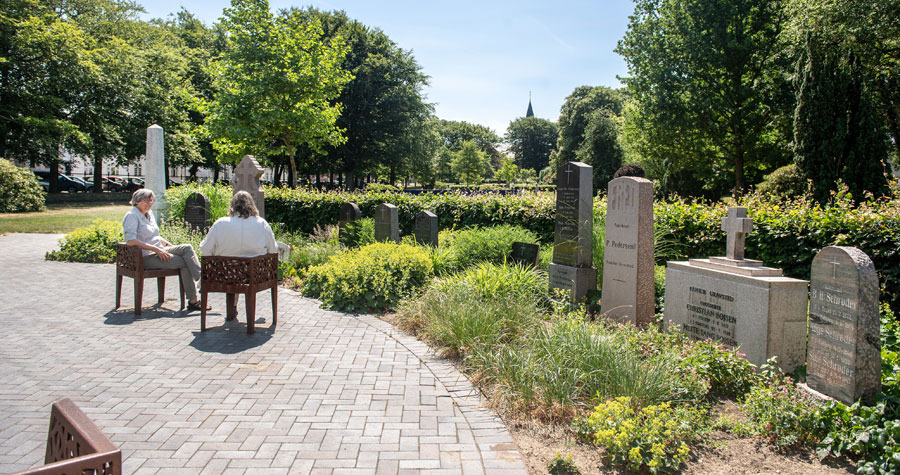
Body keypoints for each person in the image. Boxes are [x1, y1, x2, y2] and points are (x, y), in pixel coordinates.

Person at [123, 189, 207, 311]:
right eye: (146, 201)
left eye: (151, 201)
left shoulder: (149, 214)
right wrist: (155, 249)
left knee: (186, 248)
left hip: (159, 249)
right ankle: (194, 300)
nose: (149, 204)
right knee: (185, 262)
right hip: (145, 256)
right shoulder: (132, 216)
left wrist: (169, 245)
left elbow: (154, 236)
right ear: (136, 201)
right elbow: (130, 241)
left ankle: (201, 279)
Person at [200, 191, 277, 257]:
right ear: (252, 205)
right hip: (255, 270)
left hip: (225, 269)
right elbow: (273, 250)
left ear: (232, 205)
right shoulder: (262, 224)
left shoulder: (220, 223)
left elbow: (205, 249)